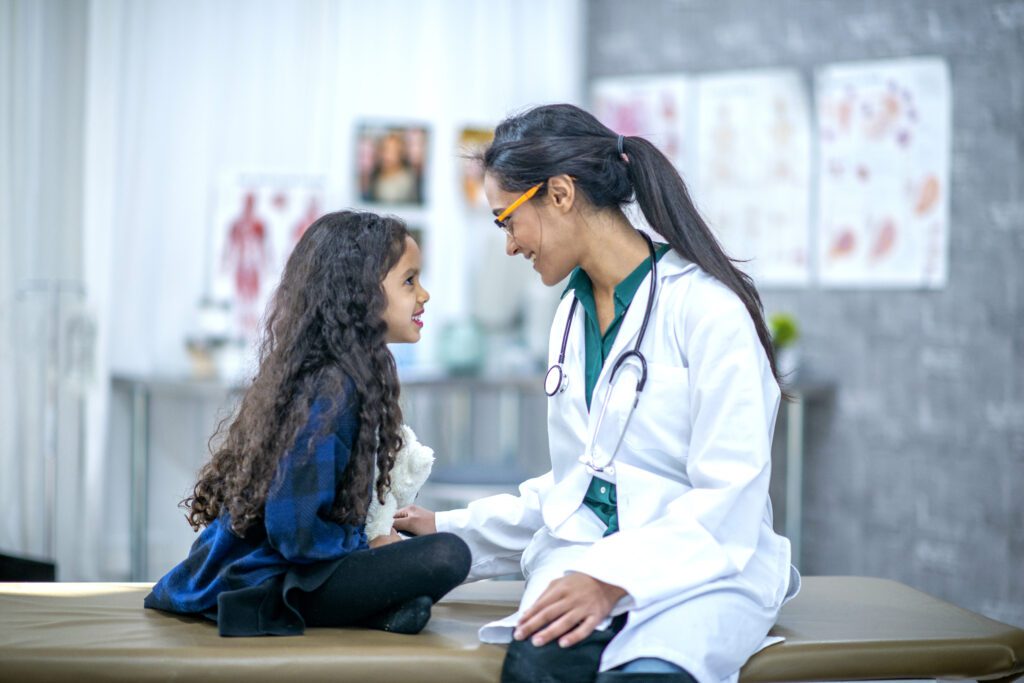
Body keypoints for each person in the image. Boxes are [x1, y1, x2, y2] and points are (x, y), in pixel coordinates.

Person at [394, 104, 800, 683]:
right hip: (585, 562)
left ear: (559, 193)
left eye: (506, 220)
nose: (509, 245)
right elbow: (579, 490)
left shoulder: (708, 311)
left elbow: (728, 499)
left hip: (702, 574)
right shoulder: (570, 316)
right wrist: (451, 527)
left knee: (649, 673)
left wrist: (611, 578)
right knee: (538, 664)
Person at [145, 211, 470, 637]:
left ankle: (381, 609)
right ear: (359, 292)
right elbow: (293, 531)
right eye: (409, 281)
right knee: (447, 555)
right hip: (268, 580)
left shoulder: (350, 375)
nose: (424, 295)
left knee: (429, 561)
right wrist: (368, 546)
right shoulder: (333, 388)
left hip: (304, 569)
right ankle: (342, 609)